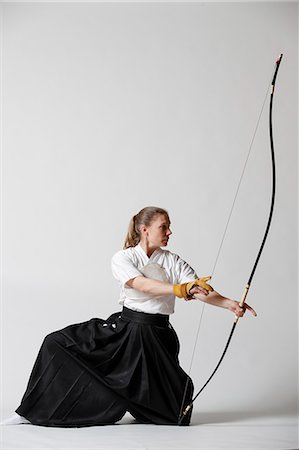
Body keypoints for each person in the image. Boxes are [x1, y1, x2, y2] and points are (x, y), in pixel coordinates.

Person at [2, 206, 256, 427]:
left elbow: (199, 290)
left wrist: (229, 304)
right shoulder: (123, 257)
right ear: (144, 229)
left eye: (169, 227)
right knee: (56, 342)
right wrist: (179, 289)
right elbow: (141, 284)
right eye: (163, 227)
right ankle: (30, 411)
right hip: (126, 330)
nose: (169, 232)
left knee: (177, 414)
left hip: (157, 336)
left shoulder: (173, 261)